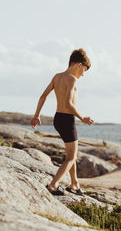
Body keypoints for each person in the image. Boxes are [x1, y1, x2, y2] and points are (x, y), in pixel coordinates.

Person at [30, 48, 94, 196]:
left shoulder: (57, 77)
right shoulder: (72, 79)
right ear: (78, 65)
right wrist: (82, 118)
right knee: (72, 157)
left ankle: (74, 184)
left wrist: (36, 115)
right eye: (84, 70)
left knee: (71, 154)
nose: (83, 74)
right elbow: (69, 104)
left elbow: (43, 96)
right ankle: (53, 185)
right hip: (67, 119)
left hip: (57, 119)